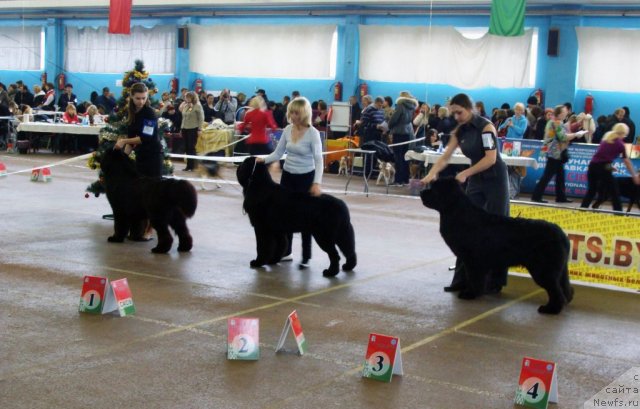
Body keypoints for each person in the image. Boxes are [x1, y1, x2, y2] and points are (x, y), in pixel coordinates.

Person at [421, 93, 509, 294]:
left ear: (469, 109)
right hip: (476, 181)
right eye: (453, 114)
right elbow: (445, 157)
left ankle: (496, 282)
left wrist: (465, 174)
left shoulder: (487, 127)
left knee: (498, 228)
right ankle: (461, 280)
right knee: (466, 228)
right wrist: (431, 174)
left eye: (459, 112)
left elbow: (491, 159)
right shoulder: (459, 131)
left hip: (495, 180)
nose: (456, 117)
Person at [257, 97, 323, 269]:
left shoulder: (313, 133)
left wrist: (316, 183)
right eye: (291, 112)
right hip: (288, 177)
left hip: (306, 178)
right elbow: (277, 154)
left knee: (305, 218)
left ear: (304, 114)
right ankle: (286, 251)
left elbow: (319, 160)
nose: (293, 116)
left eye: (296, 113)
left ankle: (306, 256)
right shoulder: (287, 129)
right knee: (285, 216)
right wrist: (262, 160)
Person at [531, 104, 587, 203]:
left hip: (552, 152)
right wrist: (576, 134)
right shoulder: (557, 123)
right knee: (547, 176)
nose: (566, 113)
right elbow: (563, 137)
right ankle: (536, 196)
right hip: (555, 153)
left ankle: (560, 197)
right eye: (565, 112)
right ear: (560, 114)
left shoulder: (551, 122)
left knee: (560, 176)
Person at [580, 123, 640, 211]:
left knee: (591, 191)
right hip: (603, 168)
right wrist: (634, 176)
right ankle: (619, 214)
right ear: (624, 133)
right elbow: (627, 161)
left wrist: (609, 166)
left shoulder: (606, 138)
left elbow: (601, 157)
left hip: (592, 166)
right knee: (615, 192)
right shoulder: (620, 144)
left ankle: (582, 210)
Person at [114, 83, 164, 178]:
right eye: (138, 98)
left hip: (154, 156)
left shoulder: (150, 113)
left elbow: (145, 138)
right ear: (132, 96)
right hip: (141, 155)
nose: (141, 101)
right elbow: (131, 141)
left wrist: (123, 141)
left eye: (143, 98)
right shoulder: (131, 113)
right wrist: (123, 159)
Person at [388, 91, 418, 186]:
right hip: (407, 133)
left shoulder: (400, 105)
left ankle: (398, 180)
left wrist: (389, 125)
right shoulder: (412, 107)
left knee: (398, 157)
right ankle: (405, 179)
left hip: (398, 132)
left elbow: (394, 119)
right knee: (405, 157)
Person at [179, 91, 204, 172]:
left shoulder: (198, 106)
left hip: (193, 128)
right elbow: (183, 116)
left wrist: (199, 129)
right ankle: (188, 166)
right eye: (186, 97)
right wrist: (181, 129)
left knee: (191, 147)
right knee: (186, 147)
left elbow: (201, 118)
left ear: (193, 97)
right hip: (184, 128)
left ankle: (193, 166)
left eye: (188, 97)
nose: (186, 98)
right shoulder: (186, 105)